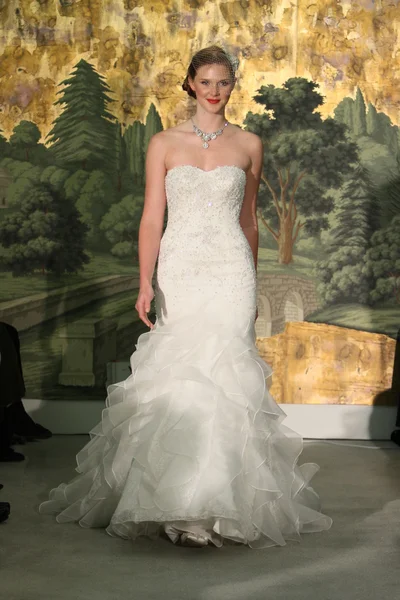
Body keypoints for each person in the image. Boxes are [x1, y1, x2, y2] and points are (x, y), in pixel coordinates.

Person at [39, 46, 332, 548]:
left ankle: (220, 506)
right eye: (206, 82)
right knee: (183, 378)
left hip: (231, 270)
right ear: (191, 85)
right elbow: (153, 217)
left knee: (228, 379)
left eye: (224, 83)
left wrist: (253, 278)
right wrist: (145, 280)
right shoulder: (163, 143)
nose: (215, 91)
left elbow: (248, 220)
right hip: (181, 267)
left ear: (232, 86)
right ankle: (177, 502)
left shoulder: (249, 144)